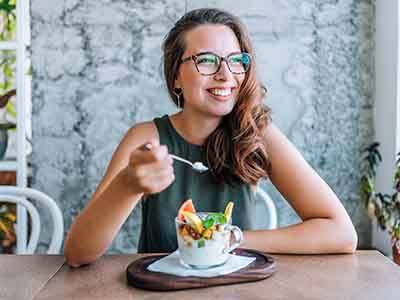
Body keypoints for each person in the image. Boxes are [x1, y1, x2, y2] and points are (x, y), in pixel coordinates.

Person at [64, 8, 358, 267]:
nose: (225, 74)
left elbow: (341, 233)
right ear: (175, 76)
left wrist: (231, 239)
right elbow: (79, 253)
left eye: (235, 60)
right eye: (206, 60)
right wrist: (126, 186)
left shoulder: (256, 132)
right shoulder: (147, 137)